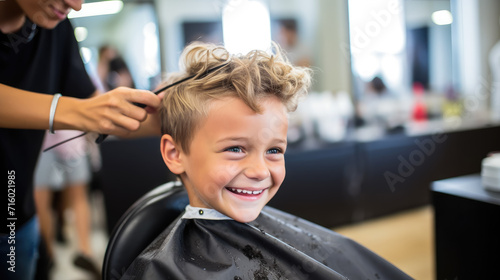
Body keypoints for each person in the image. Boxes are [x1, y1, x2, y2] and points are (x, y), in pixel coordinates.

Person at [121, 42, 412, 279]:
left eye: (274, 150)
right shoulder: (164, 272)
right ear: (175, 154)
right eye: (235, 149)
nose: (260, 171)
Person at [0, 1, 162, 279]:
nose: (75, 5)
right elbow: (85, 109)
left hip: (15, 214)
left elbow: (98, 109)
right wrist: (75, 112)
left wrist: (178, 117)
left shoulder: (57, 29)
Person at [34, 130, 100, 279]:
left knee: (78, 197)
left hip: (70, 138)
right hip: (44, 141)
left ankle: (85, 252)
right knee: (41, 202)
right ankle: (49, 255)